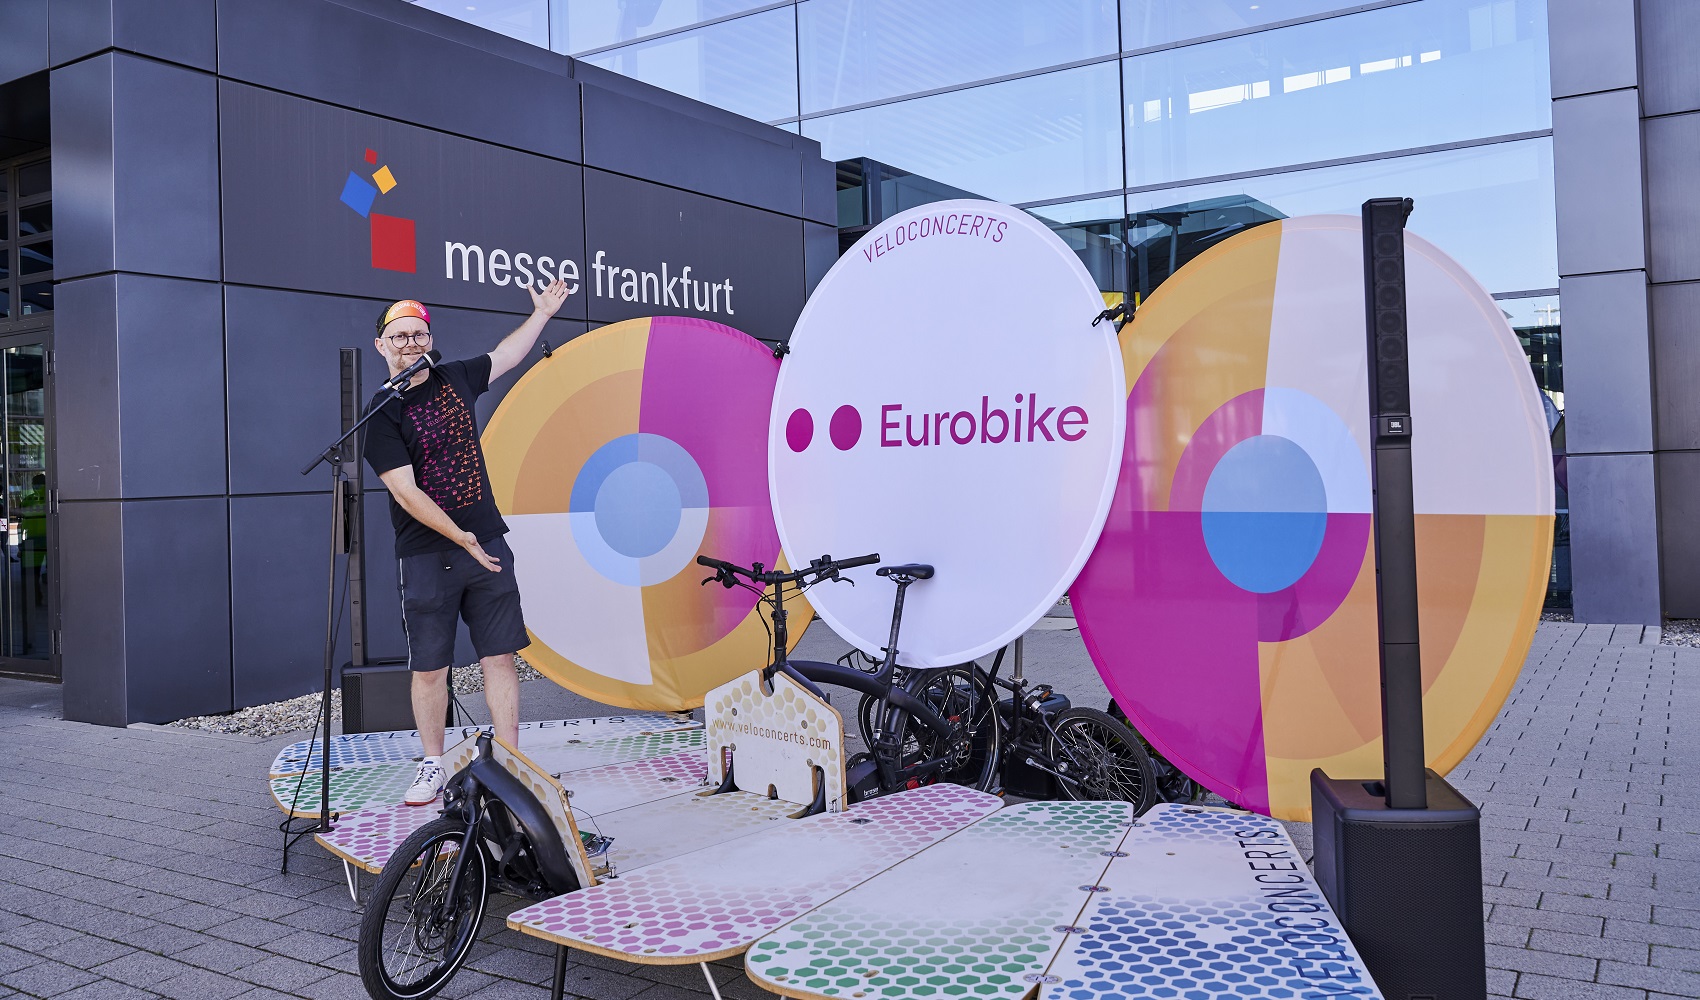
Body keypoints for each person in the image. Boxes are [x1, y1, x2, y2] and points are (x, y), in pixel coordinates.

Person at [363, 281, 571, 806]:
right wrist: (461, 537)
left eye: (419, 334)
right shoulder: (381, 412)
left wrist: (542, 315)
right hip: (427, 554)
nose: (411, 344)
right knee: (430, 666)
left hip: (488, 544)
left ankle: (510, 761)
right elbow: (405, 492)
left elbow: (507, 355)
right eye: (399, 336)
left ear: (430, 339)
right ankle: (432, 763)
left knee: (499, 657)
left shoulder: (455, 376)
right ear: (382, 346)